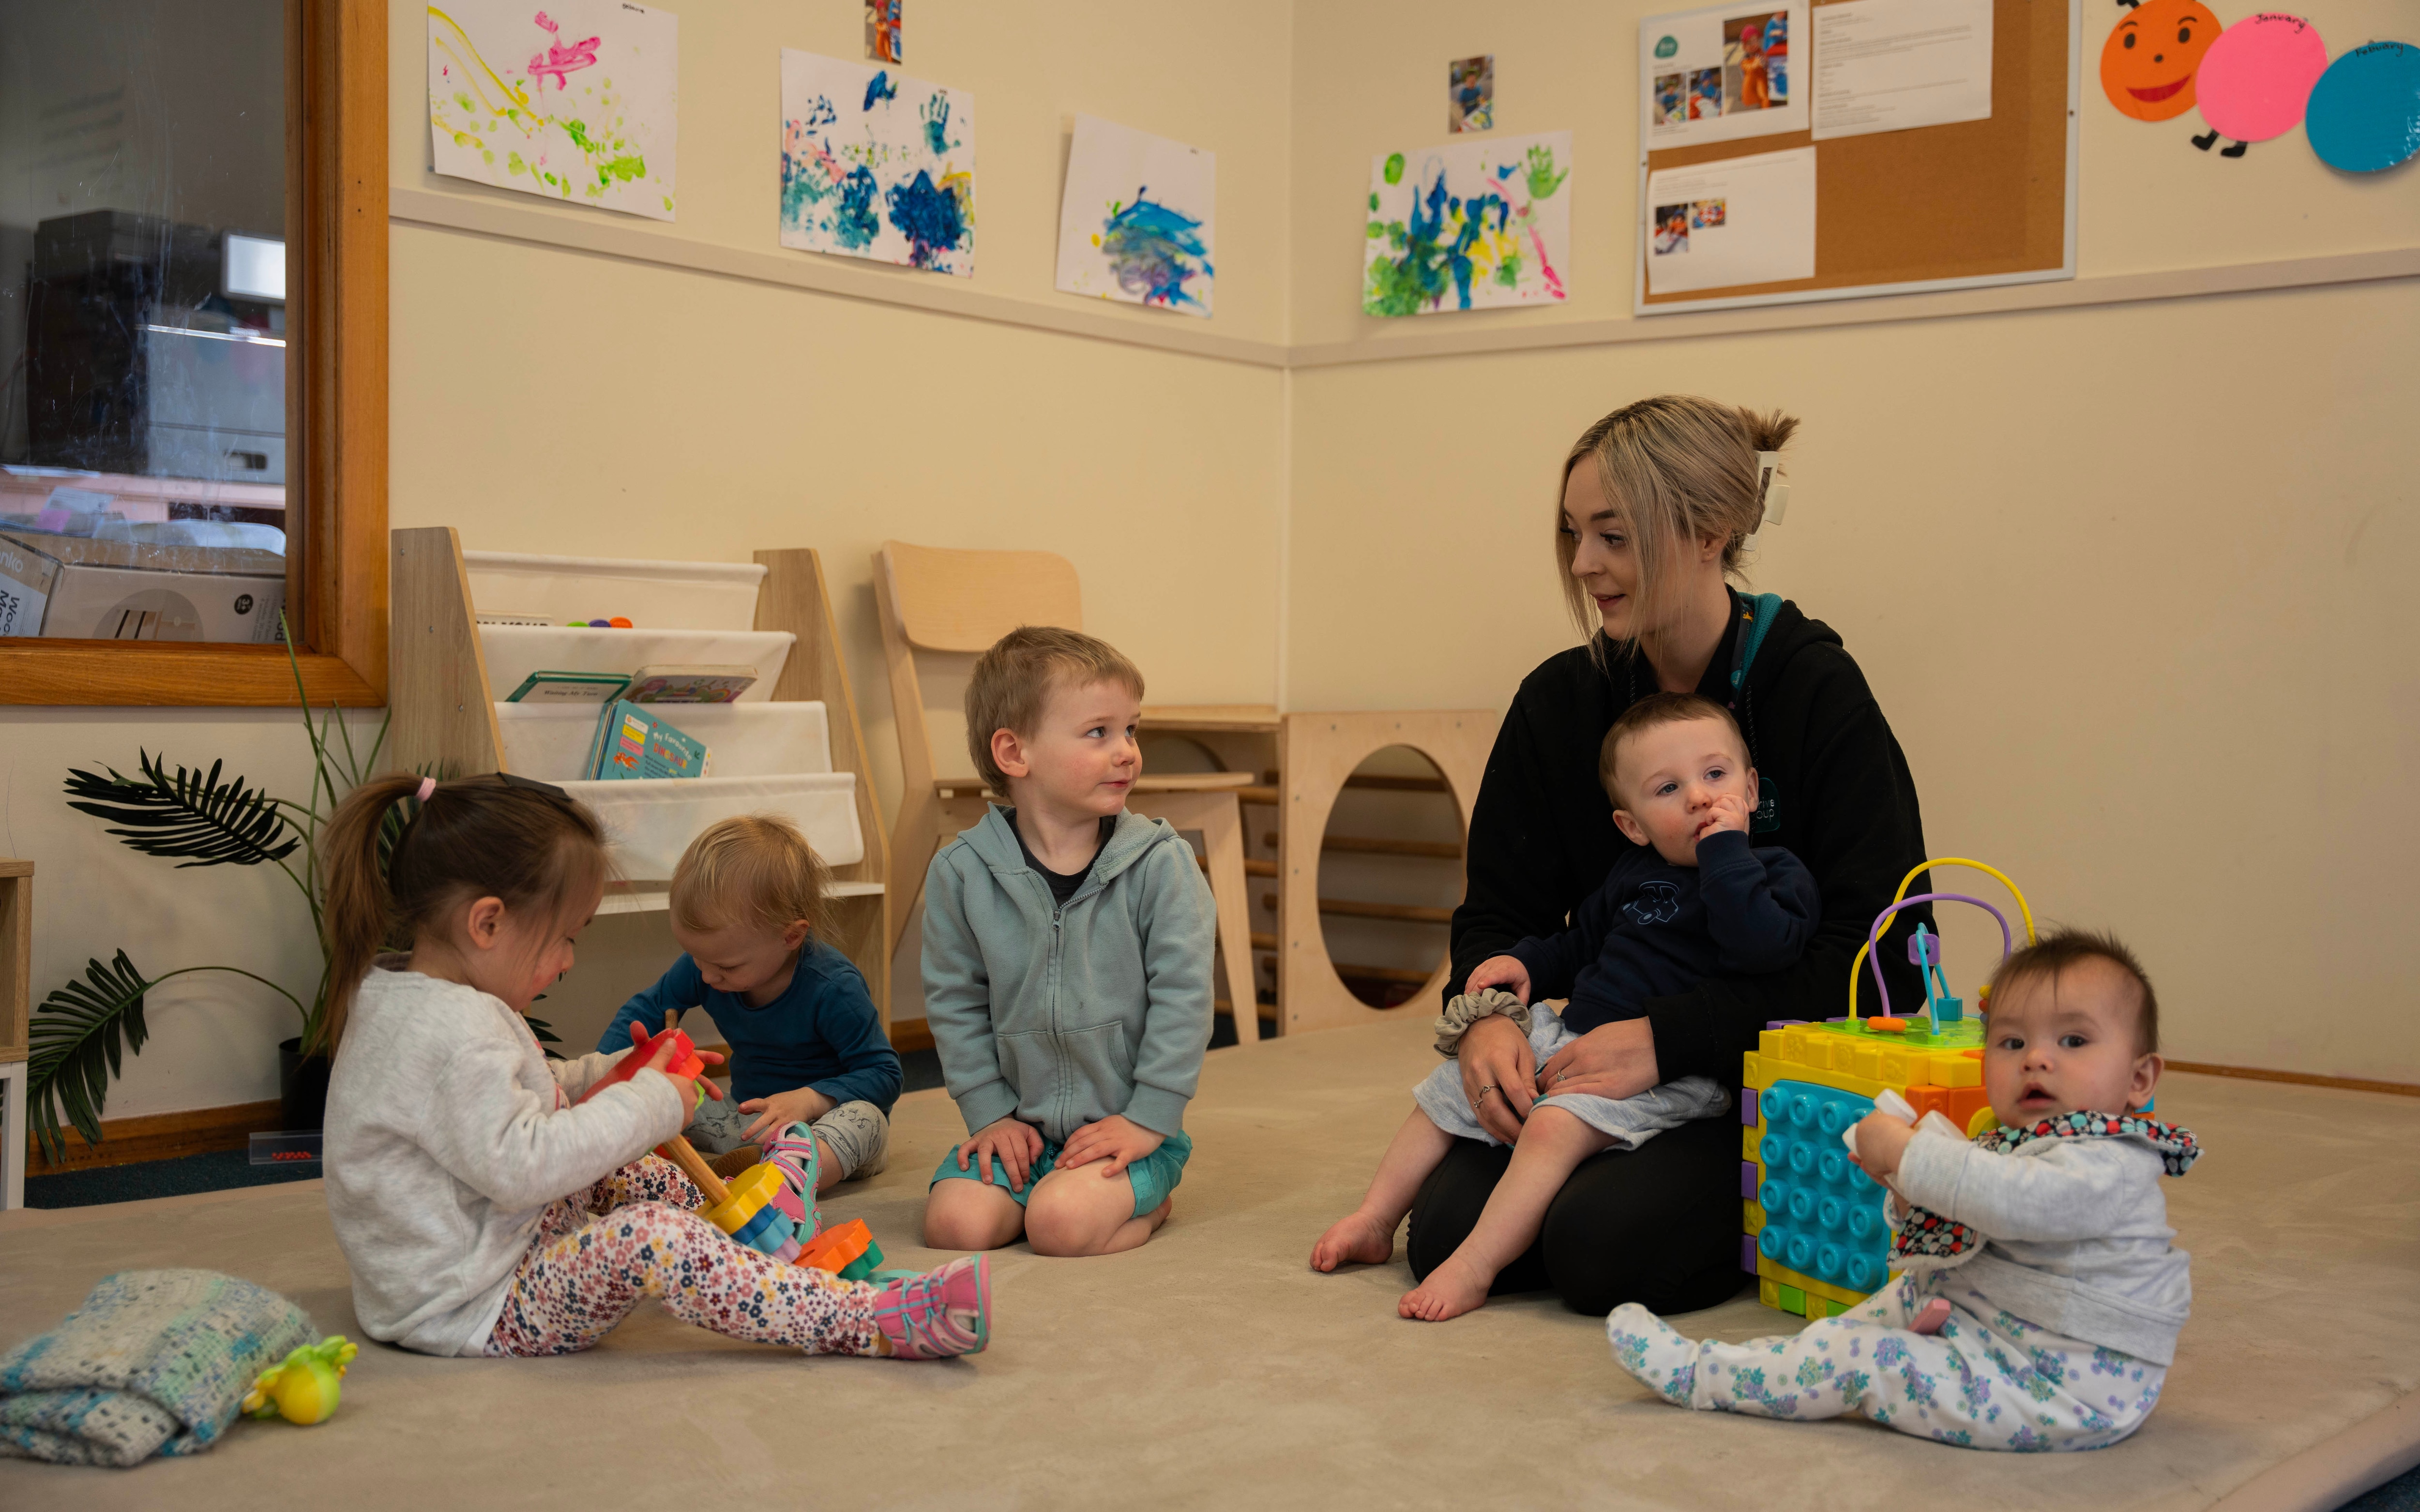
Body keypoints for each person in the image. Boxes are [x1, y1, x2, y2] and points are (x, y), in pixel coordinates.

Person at [1424, 394, 1933, 1317]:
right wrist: (1489, 1018)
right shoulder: (1560, 701)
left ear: (1713, 531)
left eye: (1614, 537)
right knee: (1444, 1234)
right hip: (1586, 1056)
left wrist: (1675, 1038)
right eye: (1575, 535)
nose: (1585, 566)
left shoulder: (1816, 690)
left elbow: (1885, 960)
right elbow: (1499, 910)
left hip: (1748, 1073)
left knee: (1597, 1249)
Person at [317, 773, 986, 1362]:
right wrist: (653, 1103)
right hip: (473, 1306)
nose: (569, 961)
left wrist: (609, 1072)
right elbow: (524, 1168)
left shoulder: (418, 997)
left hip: (472, 1255)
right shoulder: (453, 1029)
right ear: (488, 924)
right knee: (652, 1238)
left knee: (636, 1171)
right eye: (566, 937)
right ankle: (859, 1321)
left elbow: (517, 1095)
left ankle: (756, 1249)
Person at [1314, 693, 1819, 1321]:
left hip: (1680, 1071)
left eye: (1715, 776)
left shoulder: (1776, 873)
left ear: (1750, 788)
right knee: (1448, 1088)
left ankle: (1476, 1266)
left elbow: (1763, 947)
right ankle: (1375, 1216)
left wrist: (1725, 856)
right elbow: (1580, 942)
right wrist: (1526, 964)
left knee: (1553, 1126)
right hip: (1577, 1035)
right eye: (1668, 788)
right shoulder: (1637, 872)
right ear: (1632, 824)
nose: (1698, 797)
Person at [1610, 930, 2197, 1450]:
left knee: (1860, 1359)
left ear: (2138, 1078)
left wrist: (1912, 1154)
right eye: (2011, 1042)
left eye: (2072, 1041)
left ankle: (1702, 1378)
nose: (2035, 1059)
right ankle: (1752, 1361)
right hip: (1993, 1321)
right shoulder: (2013, 1138)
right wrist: (1902, 1186)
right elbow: (1966, 1221)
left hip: (2063, 1383)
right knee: (1867, 1315)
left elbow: (2020, 1200)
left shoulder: (2112, 1159)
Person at [920, 627, 1215, 1258]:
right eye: (1098, 732)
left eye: (1131, 730)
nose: (1128, 752)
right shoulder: (961, 872)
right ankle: (1044, 1182)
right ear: (1014, 752)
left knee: (1059, 1227)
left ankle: (1151, 1199)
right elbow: (954, 1001)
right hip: (1019, 1127)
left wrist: (1149, 1119)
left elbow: (1185, 998)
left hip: (1129, 1127)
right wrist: (990, 1116)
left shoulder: (1161, 865)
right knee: (955, 1227)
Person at [597, 814, 900, 1198]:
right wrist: (606, 1076)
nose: (706, 977)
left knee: (866, 1121)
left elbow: (885, 1073)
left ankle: (784, 1176)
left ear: (790, 936)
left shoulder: (834, 986)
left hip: (829, 1125)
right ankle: (758, 1161)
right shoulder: (704, 967)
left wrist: (809, 1100)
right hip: (747, 1120)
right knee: (676, 1094)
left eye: (725, 966)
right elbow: (647, 1008)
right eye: (695, 957)